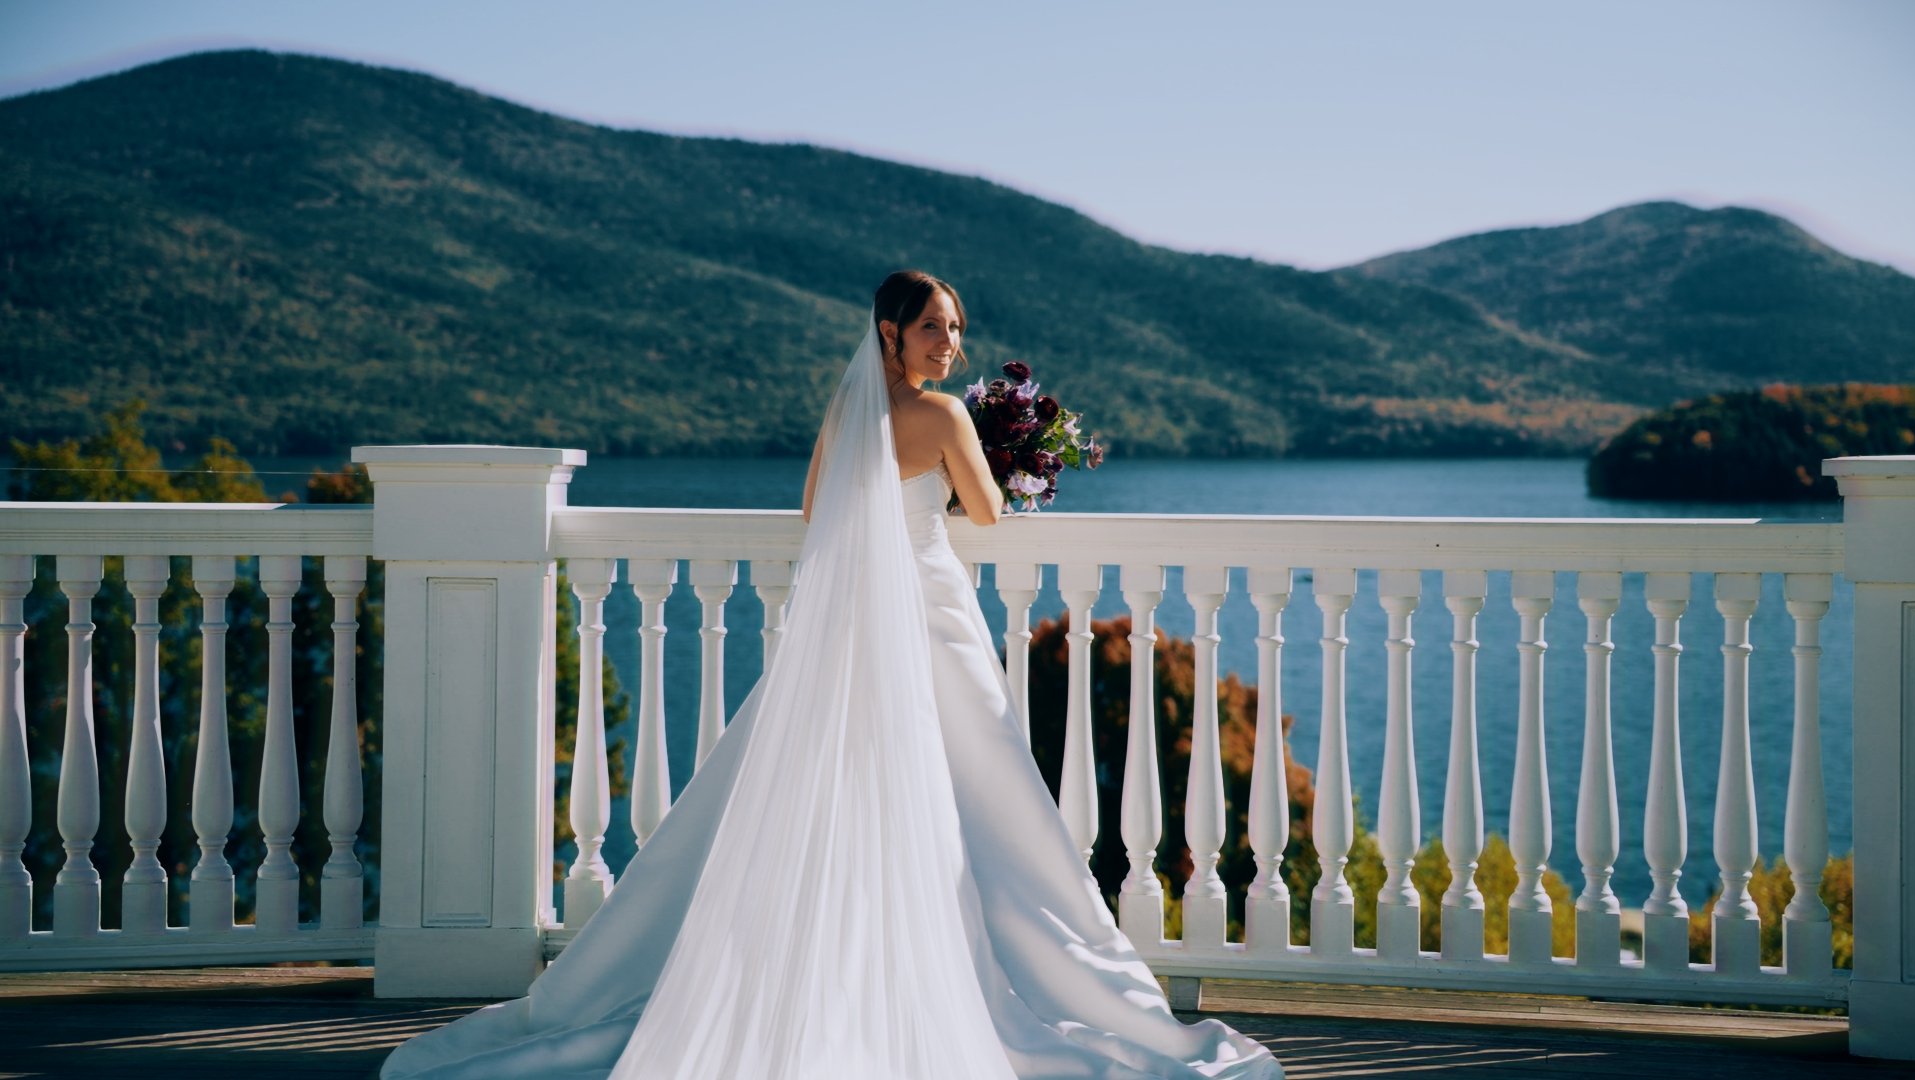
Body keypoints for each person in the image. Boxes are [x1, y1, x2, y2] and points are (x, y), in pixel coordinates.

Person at [379, 272, 1283, 1079]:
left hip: (851, 626)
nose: (949, 342)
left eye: (956, 327)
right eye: (933, 327)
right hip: (928, 618)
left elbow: (818, 508)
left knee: (828, 798)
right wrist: (1008, 468)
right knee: (985, 798)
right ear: (889, 333)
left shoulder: (850, 413)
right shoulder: (944, 416)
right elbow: (988, 514)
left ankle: (808, 980)